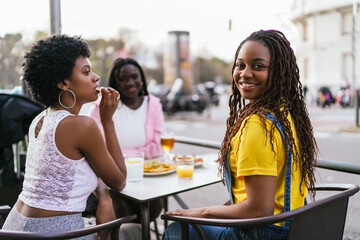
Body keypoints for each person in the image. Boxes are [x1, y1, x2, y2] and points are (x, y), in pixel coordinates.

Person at [162, 29, 318, 240]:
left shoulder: (258, 126)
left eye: (258, 66)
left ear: (279, 72)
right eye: (240, 65)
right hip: (295, 227)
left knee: (176, 230)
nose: (245, 73)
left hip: (264, 233)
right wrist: (211, 211)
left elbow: (258, 209)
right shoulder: (287, 114)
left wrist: (202, 212)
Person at [2, 34, 140, 239]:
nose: (96, 78)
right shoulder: (82, 126)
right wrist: (108, 120)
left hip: (15, 229)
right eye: (86, 72)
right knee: (136, 230)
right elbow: (119, 181)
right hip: (55, 233)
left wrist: (103, 195)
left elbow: (71, 173)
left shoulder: (40, 120)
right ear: (63, 83)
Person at [87, 57, 165, 223]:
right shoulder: (102, 108)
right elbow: (98, 151)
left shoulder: (154, 104)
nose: (130, 83)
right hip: (111, 181)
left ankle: (136, 231)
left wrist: (121, 156)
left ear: (141, 79)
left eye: (134, 77)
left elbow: (157, 147)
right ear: (115, 82)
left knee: (155, 206)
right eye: (123, 79)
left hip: (146, 177)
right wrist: (138, 154)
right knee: (121, 209)